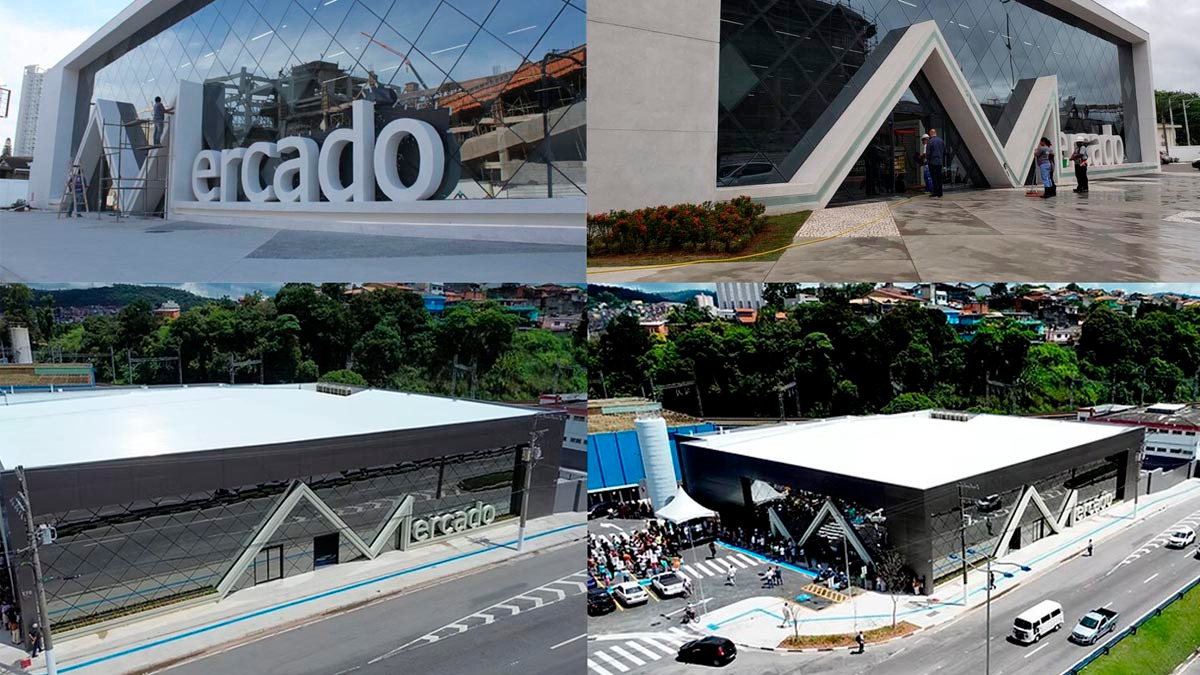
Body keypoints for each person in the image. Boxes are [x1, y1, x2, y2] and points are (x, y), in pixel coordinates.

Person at [927, 128, 945, 197]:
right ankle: (940, 192)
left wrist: (928, 160)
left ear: (931, 133)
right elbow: (944, 150)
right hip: (940, 161)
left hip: (932, 161)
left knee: (934, 177)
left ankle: (935, 192)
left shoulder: (930, 141)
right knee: (939, 177)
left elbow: (928, 153)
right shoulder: (941, 140)